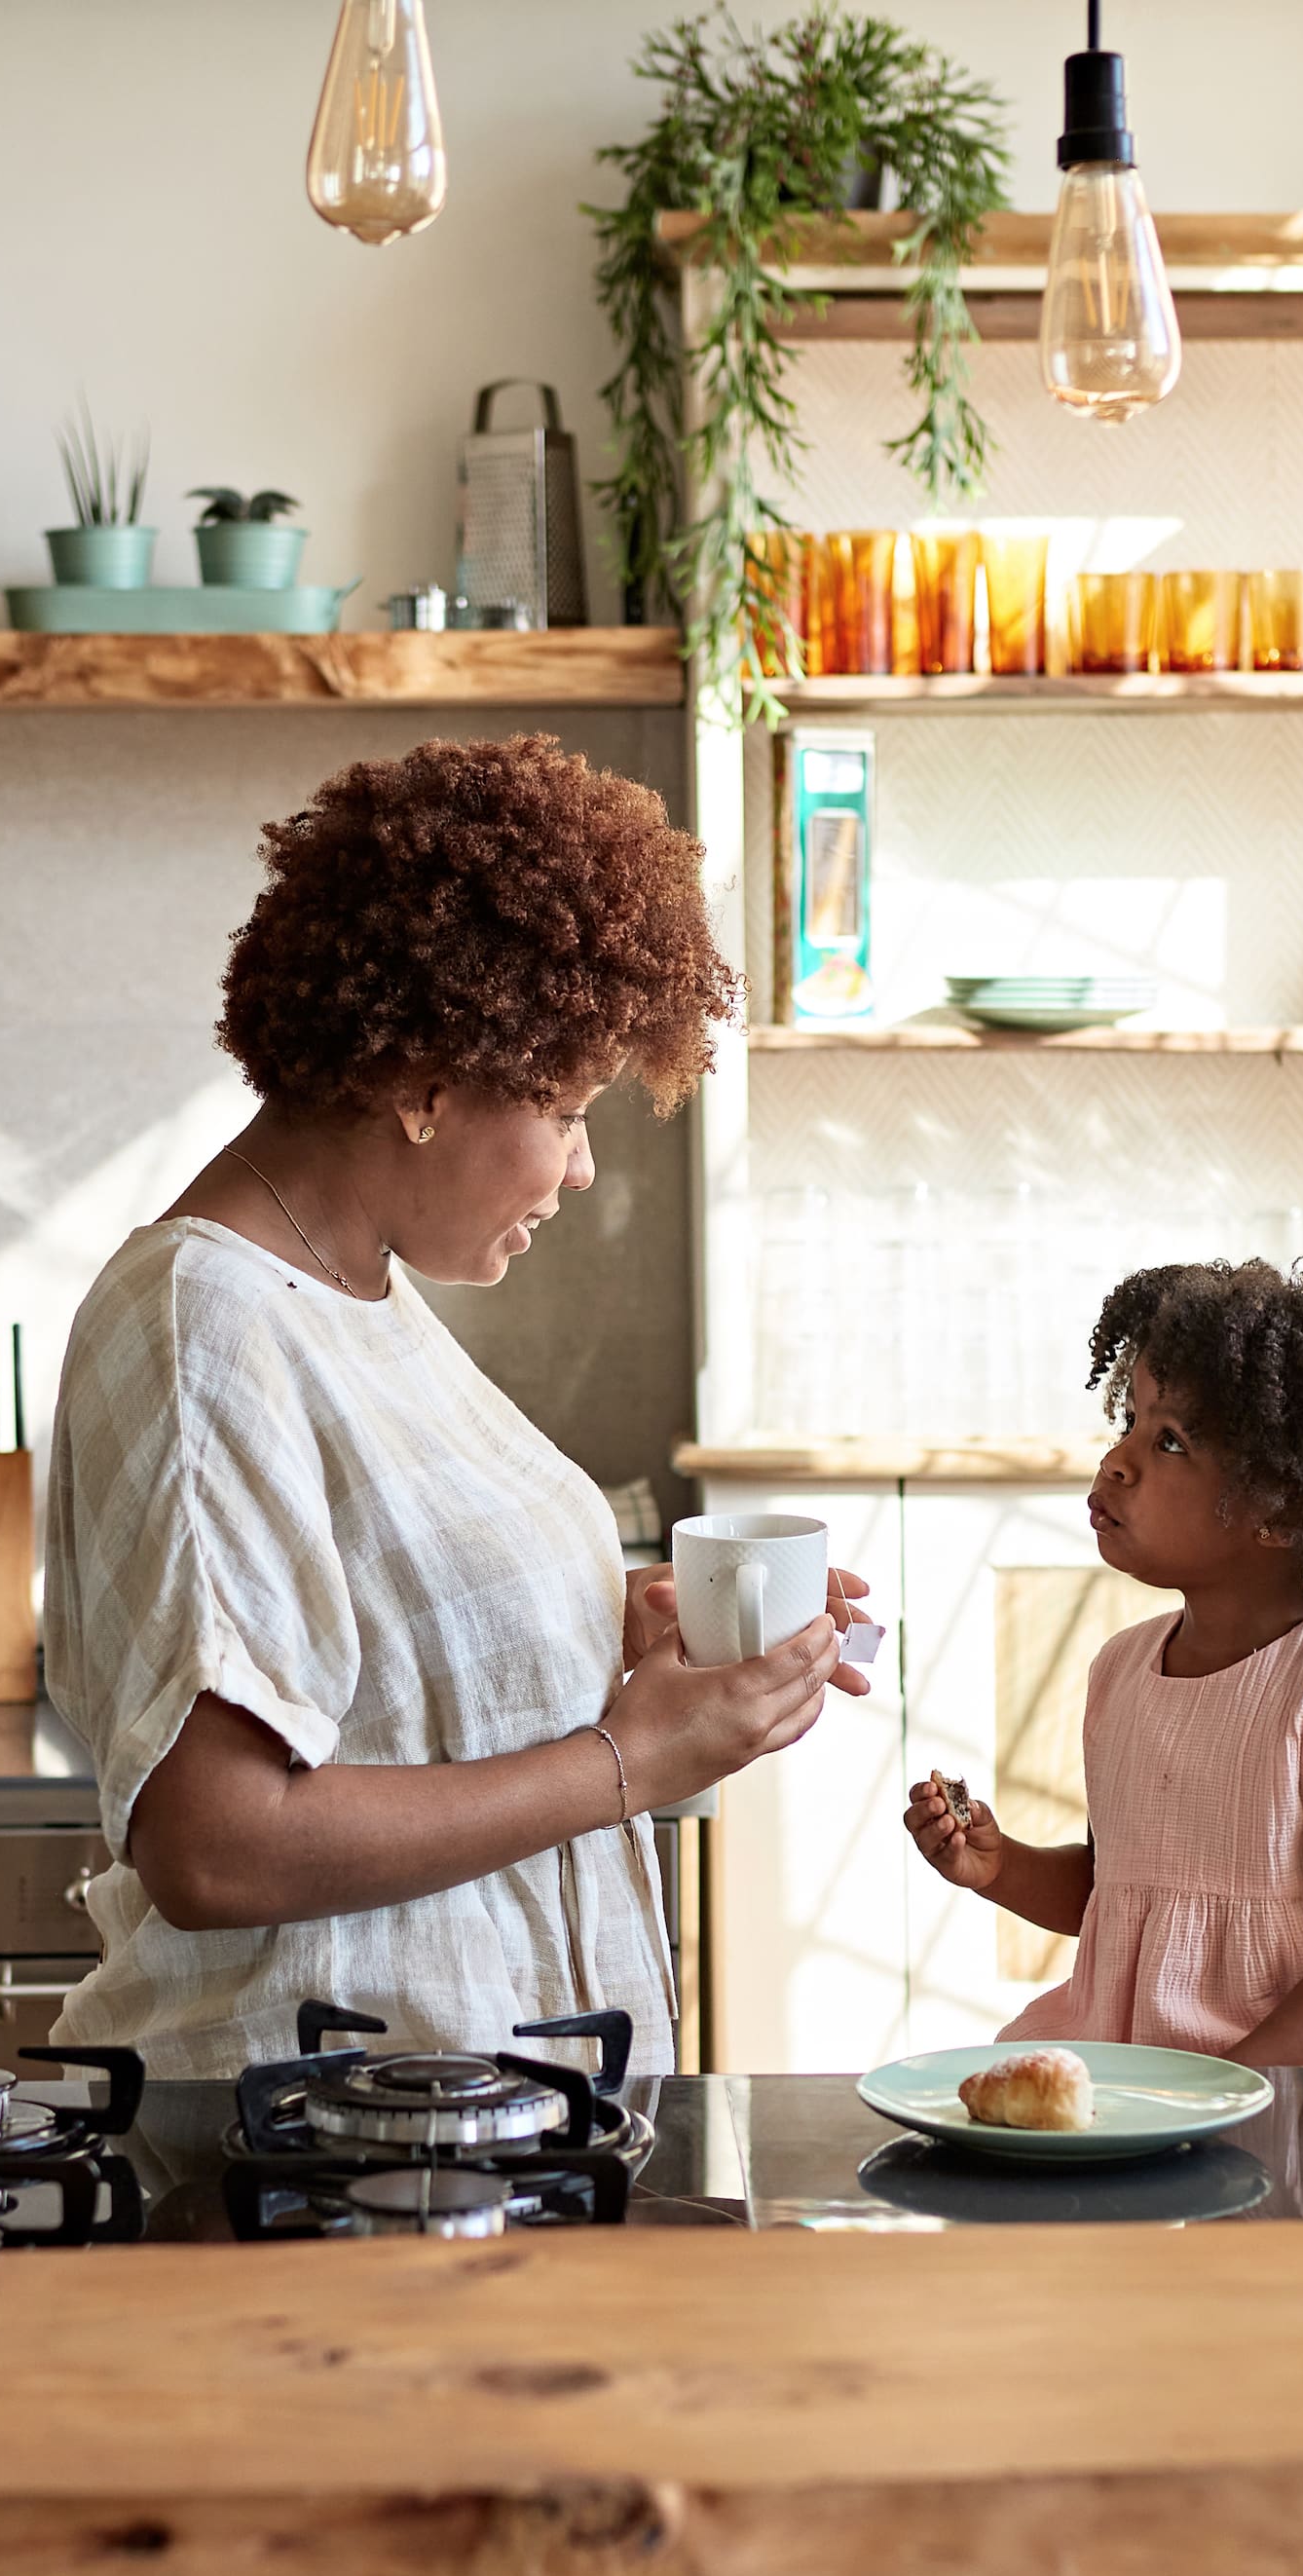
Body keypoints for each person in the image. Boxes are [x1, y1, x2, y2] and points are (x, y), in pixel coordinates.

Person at [44, 736, 869, 2074]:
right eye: (567, 1104)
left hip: (468, 2146)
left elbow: (369, 1654)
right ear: (425, 1082)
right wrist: (626, 1761)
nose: (584, 1166)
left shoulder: (354, 1290)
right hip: (320, 2162)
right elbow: (214, 1839)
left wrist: (607, 1622)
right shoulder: (206, 1318)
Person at [905, 1259, 1303, 2067]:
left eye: (1170, 1441)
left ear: (1279, 1508)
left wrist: (1226, 2092)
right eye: (1131, 1421)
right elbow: (1120, 1893)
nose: (1117, 1460)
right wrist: (999, 1868)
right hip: (1151, 2081)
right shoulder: (1121, 1673)